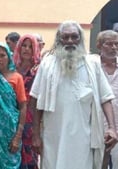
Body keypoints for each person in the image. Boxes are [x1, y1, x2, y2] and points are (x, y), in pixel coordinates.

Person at [30, 21, 118, 169]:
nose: (70, 41)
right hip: (53, 137)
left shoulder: (93, 64)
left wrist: (111, 128)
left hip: (83, 138)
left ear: (80, 39)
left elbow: (105, 98)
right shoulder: (47, 64)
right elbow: (36, 99)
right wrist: (36, 134)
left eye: (74, 37)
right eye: (66, 37)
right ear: (59, 39)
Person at [13, 34, 41, 169]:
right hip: (13, 117)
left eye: (31, 46)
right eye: (24, 45)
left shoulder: (39, 70)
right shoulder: (12, 68)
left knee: (30, 156)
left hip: (32, 119)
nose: (27, 49)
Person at [95, 30, 118, 169]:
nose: (114, 47)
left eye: (116, 44)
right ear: (99, 46)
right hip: (97, 128)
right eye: (109, 44)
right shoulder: (92, 67)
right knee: (97, 165)